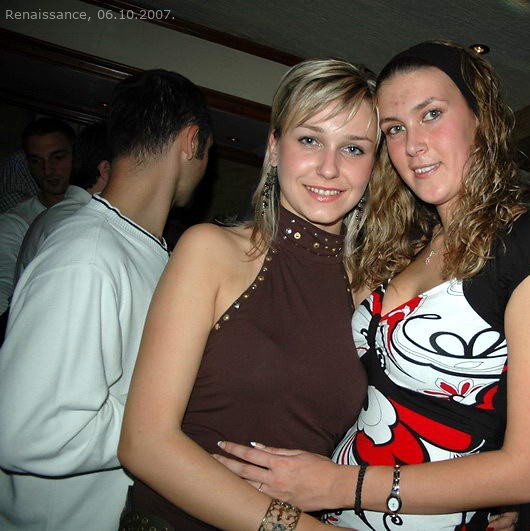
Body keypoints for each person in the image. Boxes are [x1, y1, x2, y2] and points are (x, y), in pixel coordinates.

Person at [215, 40, 530, 530]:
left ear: (481, 117)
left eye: (431, 114)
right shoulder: (406, 244)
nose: (413, 144)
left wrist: (338, 485)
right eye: (394, 128)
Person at [118, 59, 378, 531]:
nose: (329, 167)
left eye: (353, 148)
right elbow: (144, 443)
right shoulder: (211, 251)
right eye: (310, 140)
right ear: (275, 149)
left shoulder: (371, 290)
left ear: (374, 165)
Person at [0, 69, 212, 530]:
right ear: (192, 141)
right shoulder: (88, 255)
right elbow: (30, 433)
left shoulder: (146, 252)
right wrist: (174, 411)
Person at [15, 121, 111, 281]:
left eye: (58, 157)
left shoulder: (59, 215)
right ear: (106, 170)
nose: (48, 170)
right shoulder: (82, 225)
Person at [0, 117, 74, 314]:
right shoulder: (15, 223)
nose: (48, 170)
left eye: (57, 157)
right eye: (36, 161)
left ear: (76, 156)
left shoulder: (92, 211)